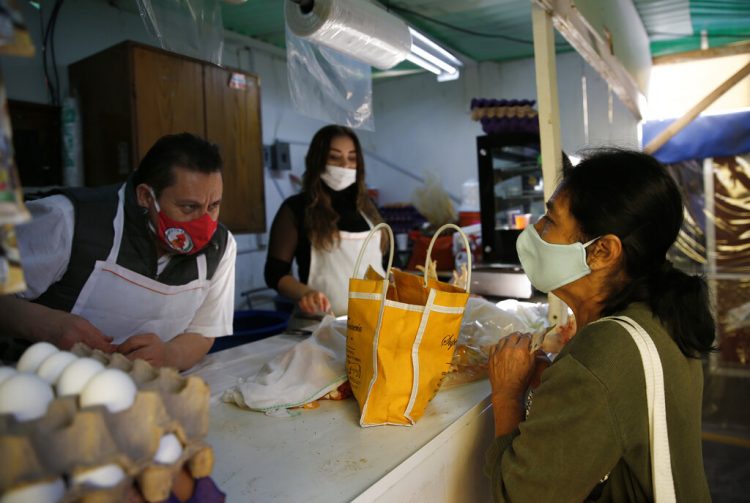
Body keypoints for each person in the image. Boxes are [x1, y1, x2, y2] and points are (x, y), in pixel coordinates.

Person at [485, 149, 714, 502]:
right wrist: (564, 383)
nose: (534, 231)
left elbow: (515, 496)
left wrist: (506, 395)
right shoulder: (659, 313)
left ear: (603, 251)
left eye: (550, 220)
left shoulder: (603, 354)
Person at [0, 133, 236, 370]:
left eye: (213, 206)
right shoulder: (67, 220)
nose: (204, 222)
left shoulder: (220, 247)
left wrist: (169, 354)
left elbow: (204, 331)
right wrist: (46, 325)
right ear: (145, 196)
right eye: (188, 207)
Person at [264, 125, 385, 316]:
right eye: (334, 157)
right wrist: (305, 293)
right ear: (317, 160)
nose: (345, 165)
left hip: (371, 325)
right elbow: (275, 274)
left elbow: (388, 267)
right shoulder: (296, 209)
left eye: (352, 158)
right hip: (320, 327)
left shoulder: (369, 210)